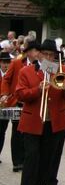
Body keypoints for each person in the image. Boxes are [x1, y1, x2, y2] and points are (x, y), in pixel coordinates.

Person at [15, 39, 65, 185]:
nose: (48, 58)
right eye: (45, 54)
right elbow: (20, 94)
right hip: (33, 122)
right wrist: (37, 90)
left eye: (51, 55)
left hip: (53, 123)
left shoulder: (62, 71)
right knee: (31, 158)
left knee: (46, 159)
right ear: (39, 55)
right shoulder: (27, 71)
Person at [0, 39, 30, 172]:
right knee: (3, 131)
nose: (6, 64)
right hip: (9, 103)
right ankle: (17, 161)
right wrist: (4, 94)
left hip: (25, 103)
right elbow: (6, 80)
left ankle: (20, 161)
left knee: (20, 132)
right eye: (3, 62)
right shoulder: (17, 63)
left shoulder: (40, 64)